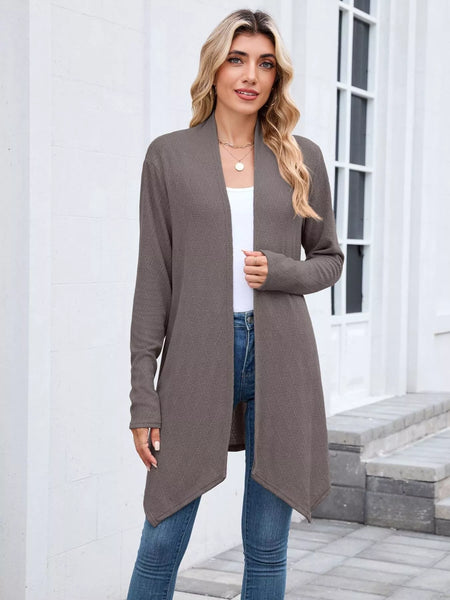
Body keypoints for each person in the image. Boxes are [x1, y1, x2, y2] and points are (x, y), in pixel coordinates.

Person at [126, 8, 344, 600]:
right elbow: (153, 282)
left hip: (282, 358)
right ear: (215, 68)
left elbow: (330, 258)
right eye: (237, 59)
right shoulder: (169, 156)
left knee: (268, 546)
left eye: (265, 64)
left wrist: (283, 271)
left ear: (276, 76)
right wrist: (143, 395)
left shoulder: (301, 156)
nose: (251, 75)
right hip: (197, 356)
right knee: (162, 537)